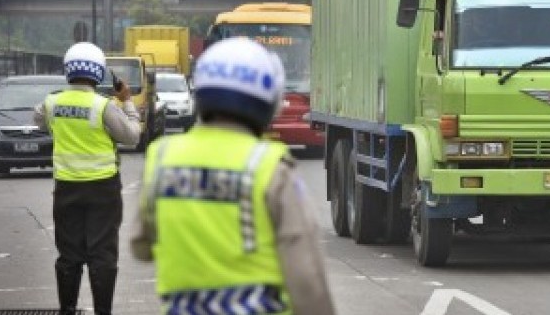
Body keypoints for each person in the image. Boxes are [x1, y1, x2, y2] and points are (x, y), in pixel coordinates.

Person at [131, 37, 335, 315]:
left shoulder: (162, 156)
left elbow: (141, 246)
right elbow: (306, 278)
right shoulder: (269, 166)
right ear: (267, 101)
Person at [33, 42, 142, 315]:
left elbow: (39, 121)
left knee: (69, 255)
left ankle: (67, 309)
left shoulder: (52, 102)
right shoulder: (103, 107)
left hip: (66, 188)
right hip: (102, 190)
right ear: (99, 73)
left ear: (68, 70)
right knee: (102, 254)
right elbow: (131, 137)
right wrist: (127, 101)